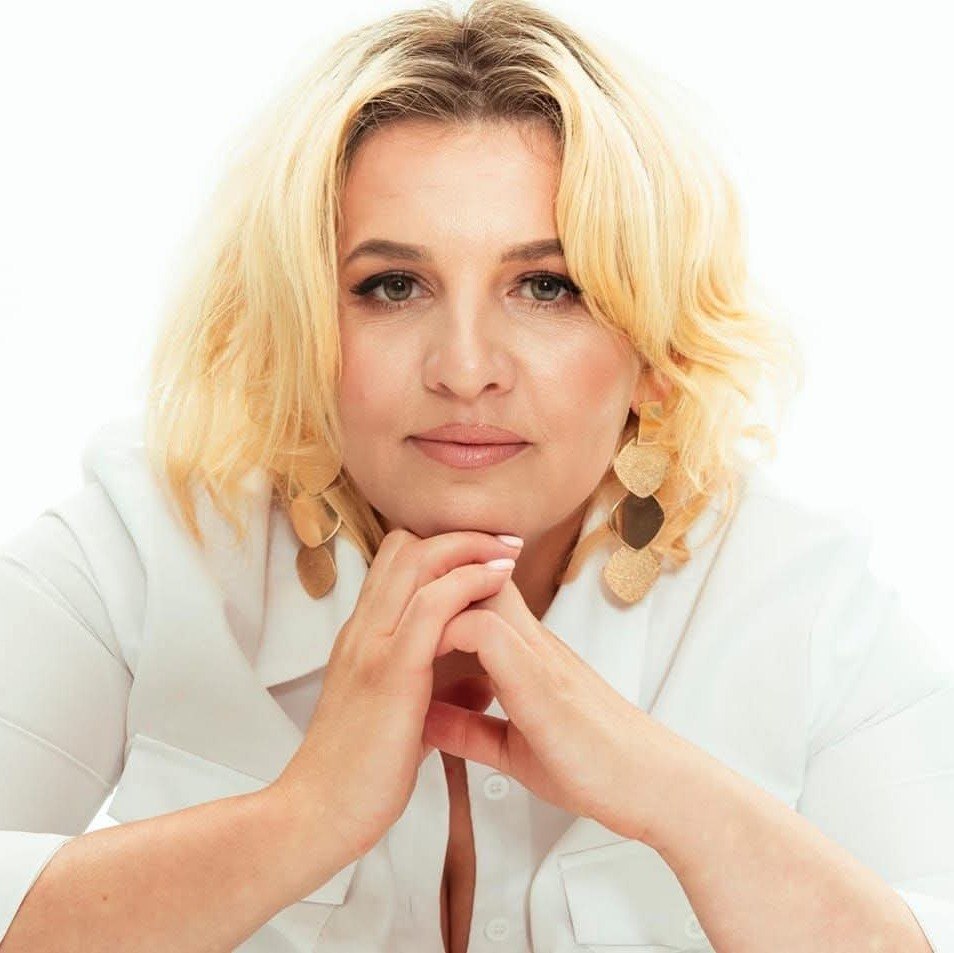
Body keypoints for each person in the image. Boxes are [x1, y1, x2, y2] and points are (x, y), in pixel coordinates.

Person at [1, 0, 952, 950]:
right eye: (392, 286)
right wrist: (303, 818)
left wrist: (671, 796)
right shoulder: (144, 542)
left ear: (658, 347)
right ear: (303, 325)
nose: (464, 368)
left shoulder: (801, 598)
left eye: (548, 286)